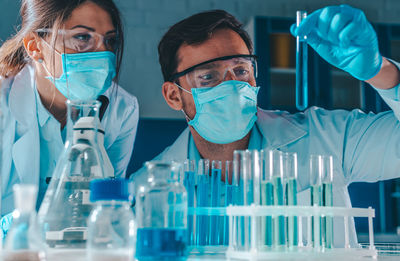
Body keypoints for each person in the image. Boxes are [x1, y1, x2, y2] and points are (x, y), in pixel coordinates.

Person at [131, 5, 400, 246]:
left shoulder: (327, 137)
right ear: (174, 95)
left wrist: (380, 71)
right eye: (208, 76)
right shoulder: (145, 190)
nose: (232, 85)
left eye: (241, 70)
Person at [0, 0, 139, 235]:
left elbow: (109, 209)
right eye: (83, 38)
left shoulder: (121, 110)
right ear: (34, 46)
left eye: (110, 40)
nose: (102, 54)